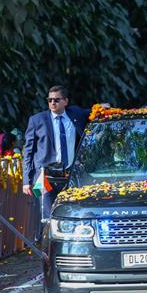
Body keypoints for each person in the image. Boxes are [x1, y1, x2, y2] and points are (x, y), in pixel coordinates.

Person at [22, 85, 92, 240]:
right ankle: (47, 247)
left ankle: (70, 242)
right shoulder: (37, 120)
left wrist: (104, 107)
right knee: (47, 213)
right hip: (44, 175)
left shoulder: (76, 114)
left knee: (72, 211)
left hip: (69, 174)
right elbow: (28, 151)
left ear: (65, 101)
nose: (52, 103)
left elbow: (94, 112)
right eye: (49, 100)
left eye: (56, 100)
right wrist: (26, 180)